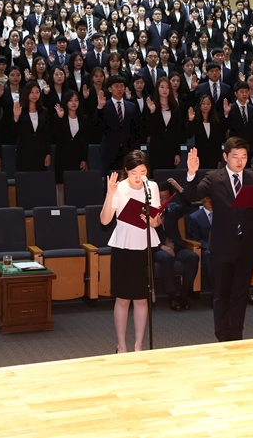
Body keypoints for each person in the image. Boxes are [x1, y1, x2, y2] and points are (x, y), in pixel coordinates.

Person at [184, 137, 253, 341]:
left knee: (240, 293)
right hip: (222, 245)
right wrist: (191, 173)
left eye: (243, 156)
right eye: (235, 156)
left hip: (247, 244)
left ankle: (236, 334)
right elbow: (191, 196)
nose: (240, 161)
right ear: (225, 156)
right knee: (222, 293)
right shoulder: (213, 178)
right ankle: (221, 333)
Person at [100, 150, 162, 353]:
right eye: (134, 173)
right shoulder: (119, 188)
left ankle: (138, 346)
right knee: (123, 298)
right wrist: (110, 193)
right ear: (126, 170)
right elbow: (105, 220)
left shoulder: (151, 186)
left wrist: (152, 221)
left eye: (142, 173)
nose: (138, 177)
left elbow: (156, 221)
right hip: (123, 246)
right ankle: (122, 345)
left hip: (144, 246)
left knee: (142, 298)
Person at [155, 179, 199, 311]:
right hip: (157, 248)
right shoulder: (148, 212)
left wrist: (180, 189)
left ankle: (184, 295)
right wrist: (162, 246)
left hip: (177, 247)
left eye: (165, 198)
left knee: (193, 257)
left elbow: (188, 206)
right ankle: (172, 296)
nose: (162, 201)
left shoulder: (172, 208)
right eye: (159, 197)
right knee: (166, 257)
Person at [52, 90, 89, 184]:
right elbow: (55, 135)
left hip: (77, 156)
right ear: (66, 102)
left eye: (76, 100)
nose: (74, 103)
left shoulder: (83, 118)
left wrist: (84, 159)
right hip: (62, 157)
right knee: (61, 183)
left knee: (76, 183)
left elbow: (85, 140)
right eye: (71, 100)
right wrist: (60, 118)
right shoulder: (59, 117)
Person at [13, 81, 52, 171]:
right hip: (24, 154)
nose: (34, 95)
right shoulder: (20, 110)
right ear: (26, 93)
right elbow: (15, 133)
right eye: (31, 92)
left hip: (41, 153)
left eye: (37, 92)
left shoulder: (44, 111)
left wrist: (48, 153)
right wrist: (16, 117)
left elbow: (47, 134)